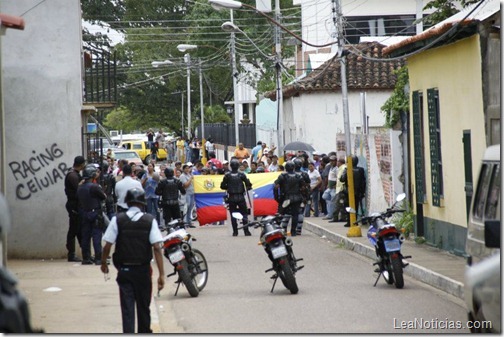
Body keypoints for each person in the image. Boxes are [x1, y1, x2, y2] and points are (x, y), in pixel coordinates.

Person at [100, 188, 165, 333]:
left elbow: (107, 246)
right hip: (143, 271)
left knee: (127, 309)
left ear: (127, 203)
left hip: (124, 271)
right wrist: (161, 274)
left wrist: (104, 263)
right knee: (143, 307)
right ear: (142, 204)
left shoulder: (117, 220)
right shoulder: (150, 220)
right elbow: (156, 247)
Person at [77, 164, 107, 265]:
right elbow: (103, 196)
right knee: (96, 236)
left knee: (85, 236)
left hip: (85, 212)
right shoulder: (94, 187)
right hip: (95, 213)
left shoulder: (80, 187)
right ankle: (98, 258)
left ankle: (86, 257)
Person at [220, 159, 253, 236]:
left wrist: (228, 187)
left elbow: (222, 186)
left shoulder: (227, 175)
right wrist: (247, 187)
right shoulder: (242, 175)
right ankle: (246, 231)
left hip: (231, 197)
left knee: (233, 215)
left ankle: (235, 232)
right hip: (240, 197)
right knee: (244, 214)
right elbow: (249, 184)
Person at [64, 155, 86, 262]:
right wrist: (81, 184)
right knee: (74, 229)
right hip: (74, 206)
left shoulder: (74, 174)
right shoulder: (72, 175)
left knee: (78, 230)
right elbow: (77, 190)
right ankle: (72, 254)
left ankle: (84, 252)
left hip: (76, 205)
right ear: (81, 165)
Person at [273, 161, 304, 236]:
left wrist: (277, 197)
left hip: (286, 198)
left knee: (281, 213)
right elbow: (303, 187)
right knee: (295, 215)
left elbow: (276, 187)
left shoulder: (282, 176)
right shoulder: (299, 176)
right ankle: (293, 231)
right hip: (296, 198)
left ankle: (281, 230)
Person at [340, 155, 366, 227]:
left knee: (348, 207)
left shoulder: (347, 169)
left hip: (348, 192)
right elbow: (363, 182)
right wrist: (362, 192)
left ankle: (350, 221)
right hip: (358, 192)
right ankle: (354, 221)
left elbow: (341, 179)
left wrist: (345, 171)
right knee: (356, 207)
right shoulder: (361, 170)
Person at [179, 163, 196, 228]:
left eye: (188, 168)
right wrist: (190, 179)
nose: (187, 169)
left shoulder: (189, 175)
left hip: (191, 193)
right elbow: (185, 185)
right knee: (186, 207)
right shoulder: (182, 176)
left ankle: (189, 221)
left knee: (190, 208)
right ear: (183, 169)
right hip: (186, 193)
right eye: (186, 168)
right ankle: (185, 221)